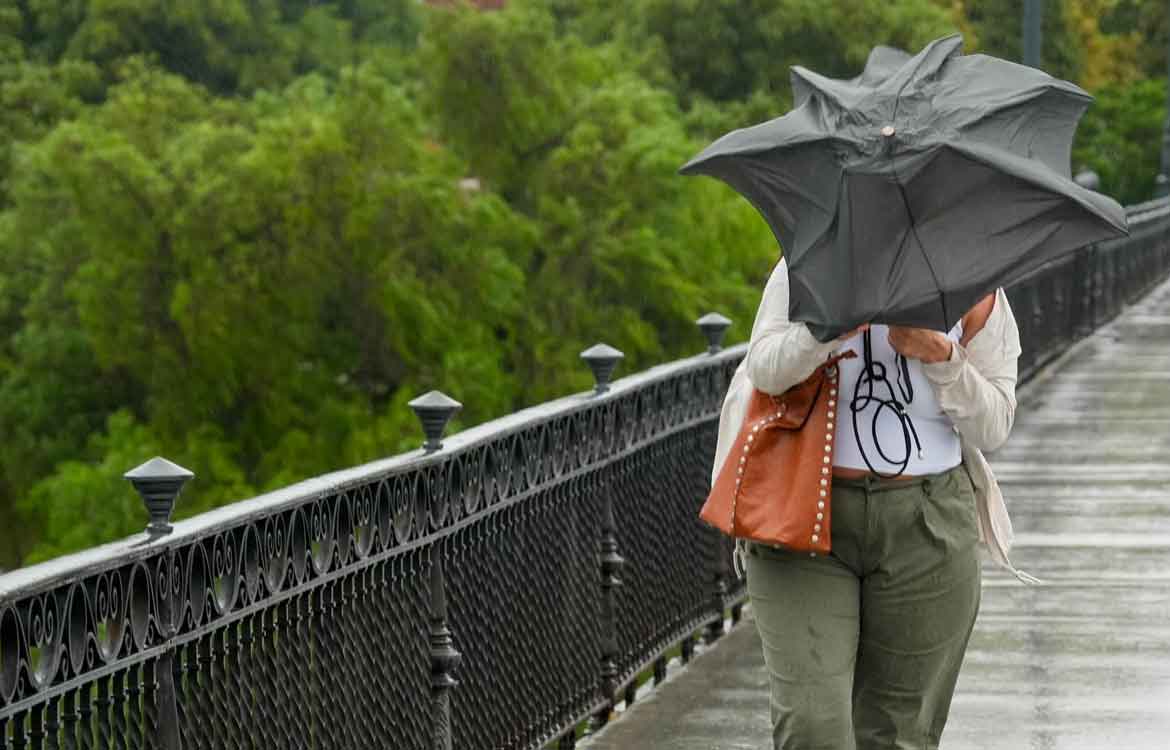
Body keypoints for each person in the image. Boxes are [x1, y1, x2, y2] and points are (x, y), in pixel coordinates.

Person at [710, 256, 1028, 750]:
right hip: (805, 517)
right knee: (812, 729)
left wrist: (940, 354)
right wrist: (828, 327)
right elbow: (764, 366)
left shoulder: (973, 277)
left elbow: (995, 424)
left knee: (898, 735)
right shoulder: (815, 258)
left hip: (929, 526)